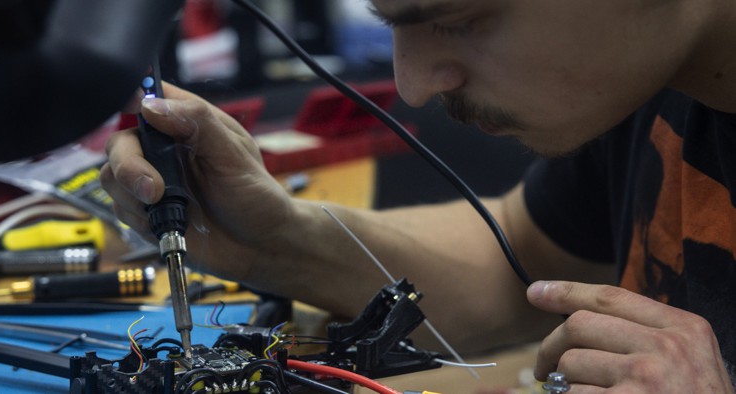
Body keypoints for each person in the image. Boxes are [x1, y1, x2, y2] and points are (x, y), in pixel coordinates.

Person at [100, 0, 736, 391]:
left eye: (454, 20)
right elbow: (521, 267)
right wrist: (272, 237)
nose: (410, 86)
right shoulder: (644, 77)